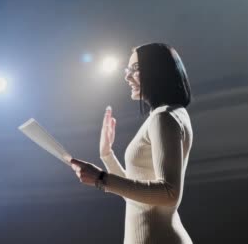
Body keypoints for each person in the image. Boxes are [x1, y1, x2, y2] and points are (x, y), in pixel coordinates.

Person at [69, 42, 193, 244]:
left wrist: (101, 179)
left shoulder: (164, 117)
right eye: (128, 70)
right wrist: (106, 155)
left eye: (135, 69)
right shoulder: (168, 114)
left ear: (157, 70)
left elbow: (169, 193)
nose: (127, 76)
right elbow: (139, 200)